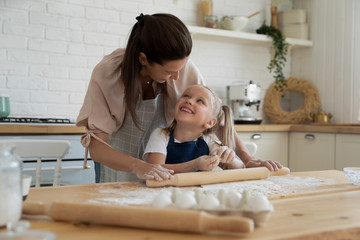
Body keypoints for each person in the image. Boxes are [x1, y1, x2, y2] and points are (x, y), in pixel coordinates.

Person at [76, 13, 281, 183]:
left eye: (180, 69)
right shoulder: (108, 74)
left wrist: (247, 158)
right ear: (143, 59)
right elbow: (97, 147)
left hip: (165, 170)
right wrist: (142, 166)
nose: (177, 76)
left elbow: (214, 117)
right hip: (118, 164)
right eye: (169, 71)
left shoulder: (182, 69)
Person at [143, 84, 245, 172]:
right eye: (186, 96)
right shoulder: (160, 135)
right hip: (164, 193)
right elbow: (155, 169)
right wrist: (194, 165)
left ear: (210, 122)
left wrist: (230, 159)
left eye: (200, 101)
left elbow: (240, 168)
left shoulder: (208, 142)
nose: (189, 101)